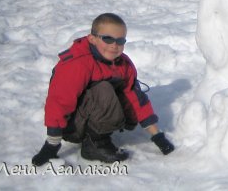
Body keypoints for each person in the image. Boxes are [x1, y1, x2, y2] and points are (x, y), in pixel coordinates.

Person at [32, 13, 174, 166]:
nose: (115, 45)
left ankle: (98, 133)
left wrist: (157, 136)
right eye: (108, 39)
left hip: (91, 113)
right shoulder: (78, 64)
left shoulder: (122, 63)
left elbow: (135, 97)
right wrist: (52, 144)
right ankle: (95, 144)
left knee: (126, 95)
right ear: (92, 39)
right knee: (104, 89)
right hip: (71, 126)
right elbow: (59, 101)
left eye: (120, 41)